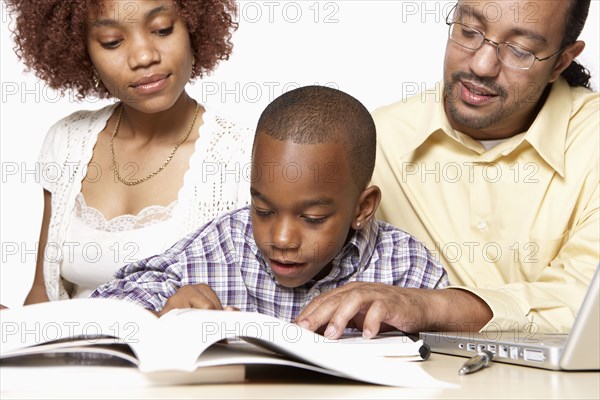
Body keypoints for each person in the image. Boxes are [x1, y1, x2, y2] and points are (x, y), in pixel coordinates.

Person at [306, 0, 598, 334]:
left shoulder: (593, 142)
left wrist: (430, 306)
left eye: (520, 50)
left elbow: (588, 301)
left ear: (561, 61)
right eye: (469, 31)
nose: (483, 65)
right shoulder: (376, 141)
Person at [92, 85, 449, 338]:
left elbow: (455, 358)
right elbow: (101, 308)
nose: (280, 239)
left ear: (363, 208)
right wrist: (161, 316)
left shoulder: (406, 267)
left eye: (312, 219)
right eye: (263, 210)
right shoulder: (226, 243)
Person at [6, 0, 253, 303]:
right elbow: (43, 294)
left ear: (193, 26)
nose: (144, 56)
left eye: (162, 29)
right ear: (82, 51)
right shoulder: (67, 141)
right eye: (112, 42)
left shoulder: (243, 157)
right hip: (70, 350)